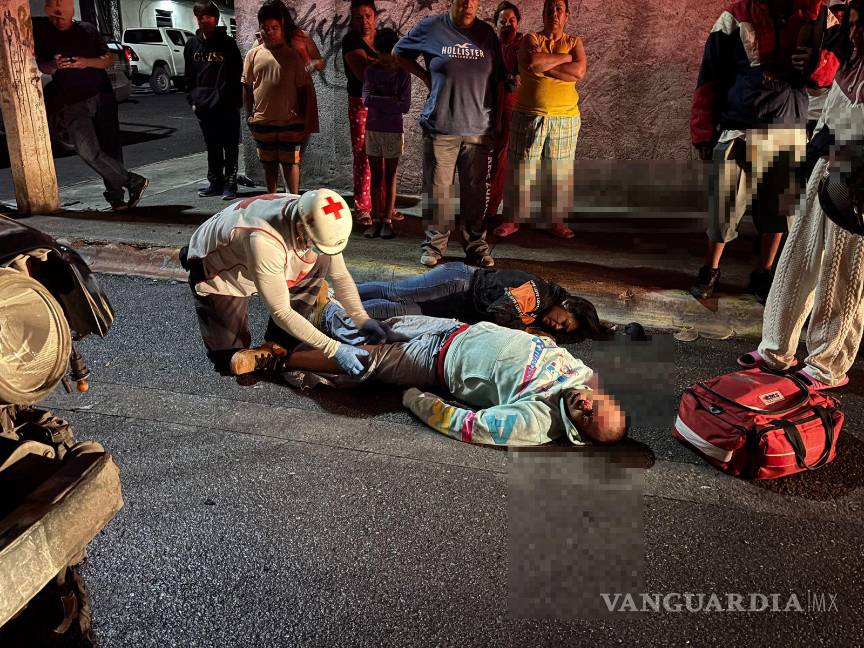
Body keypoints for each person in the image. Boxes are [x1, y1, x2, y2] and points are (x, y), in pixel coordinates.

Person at [247, 310, 628, 447]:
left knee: (362, 362)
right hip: (453, 328)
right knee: (373, 325)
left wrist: (416, 399)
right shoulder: (582, 376)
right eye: (598, 408)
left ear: (581, 435)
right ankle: (303, 324)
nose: (586, 407)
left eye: (587, 421)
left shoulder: (539, 422)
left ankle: (278, 360)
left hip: (433, 361)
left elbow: (469, 426)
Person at [738, 0, 864, 391]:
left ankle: (827, 365)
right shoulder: (849, 42)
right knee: (800, 253)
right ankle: (776, 348)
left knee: (843, 269)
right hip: (833, 147)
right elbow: (821, 66)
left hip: (860, 163)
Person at [689, 0, 826, 302]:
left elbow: (832, 74)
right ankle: (710, 270)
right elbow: (709, 76)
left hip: (787, 129)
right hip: (738, 128)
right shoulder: (735, 16)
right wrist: (702, 131)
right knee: (722, 207)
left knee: (779, 211)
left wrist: (817, 62)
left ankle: (763, 274)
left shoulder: (816, 15)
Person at [179, 190, 400, 376]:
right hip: (218, 267)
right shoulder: (263, 239)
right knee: (227, 359)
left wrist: (362, 319)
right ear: (300, 226)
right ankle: (266, 337)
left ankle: (279, 342)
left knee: (321, 257)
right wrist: (335, 349)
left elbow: (340, 275)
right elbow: (281, 312)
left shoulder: (313, 215)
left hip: (263, 255)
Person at [393, 0, 504, 268]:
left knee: (475, 192)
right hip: (441, 126)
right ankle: (434, 246)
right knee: (438, 191)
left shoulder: (486, 34)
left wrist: (496, 122)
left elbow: (498, 78)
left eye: (474, 0)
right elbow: (399, 53)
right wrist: (424, 77)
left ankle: (476, 247)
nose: (468, 4)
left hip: (477, 130)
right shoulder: (431, 27)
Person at [34, 0, 148, 211]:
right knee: (86, 150)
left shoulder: (86, 29)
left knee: (109, 147)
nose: (58, 20)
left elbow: (108, 60)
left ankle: (116, 198)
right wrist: (55, 65)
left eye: (62, 16)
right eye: (53, 16)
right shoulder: (45, 35)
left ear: (70, 13)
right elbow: (44, 67)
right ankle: (131, 181)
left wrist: (85, 62)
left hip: (100, 95)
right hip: (71, 101)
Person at [501, 0, 585, 240]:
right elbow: (530, 62)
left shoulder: (574, 42)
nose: (554, 13)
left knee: (558, 172)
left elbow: (579, 71)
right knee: (520, 168)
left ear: (567, 15)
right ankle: (512, 220)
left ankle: (556, 221)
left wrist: (543, 64)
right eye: (550, 8)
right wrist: (564, 59)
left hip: (565, 117)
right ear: (543, 13)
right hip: (529, 114)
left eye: (559, 9)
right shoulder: (531, 39)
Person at [356, 262, 610, 341]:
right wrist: (527, 330)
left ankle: (339, 310)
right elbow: (498, 311)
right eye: (563, 323)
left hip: (458, 303)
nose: (556, 327)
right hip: (458, 283)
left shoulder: (540, 309)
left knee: (400, 308)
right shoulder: (538, 294)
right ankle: (340, 294)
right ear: (566, 306)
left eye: (562, 330)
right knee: (396, 292)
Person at [342, 0, 402, 226]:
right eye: (358, 17)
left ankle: (386, 206)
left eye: (367, 16)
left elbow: (400, 67)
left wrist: (375, 63)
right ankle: (364, 207)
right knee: (364, 155)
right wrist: (384, 64)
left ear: (375, 16)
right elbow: (363, 75)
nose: (364, 21)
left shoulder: (386, 38)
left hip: (387, 105)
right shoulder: (351, 40)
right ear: (352, 18)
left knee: (388, 155)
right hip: (362, 103)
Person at [243, 1, 312, 194]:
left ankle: (293, 201)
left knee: (291, 163)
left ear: (282, 29)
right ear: (259, 29)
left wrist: (302, 118)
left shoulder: (292, 56)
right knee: (268, 164)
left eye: (274, 28)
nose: (269, 32)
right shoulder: (253, 55)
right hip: (262, 121)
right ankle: (272, 199)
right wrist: (250, 115)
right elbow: (247, 87)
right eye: (265, 29)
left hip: (290, 121)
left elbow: (302, 89)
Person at [184, 1, 243, 200]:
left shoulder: (227, 43)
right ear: (197, 18)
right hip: (204, 106)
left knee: (230, 145)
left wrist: (233, 100)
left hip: (226, 105)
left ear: (215, 19)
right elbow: (189, 75)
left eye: (208, 16)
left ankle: (230, 184)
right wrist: (192, 99)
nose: (204, 19)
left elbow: (237, 73)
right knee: (213, 146)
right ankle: (215, 183)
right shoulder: (192, 44)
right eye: (200, 16)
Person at [361, 29, 411, 240]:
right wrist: (391, 100)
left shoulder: (402, 72)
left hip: (392, 130)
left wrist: (380, 99)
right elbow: (366, 99)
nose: (386, 58)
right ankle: (376, 218)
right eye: (382, 53)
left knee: (390, 176)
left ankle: (387, 220)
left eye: (389, 53)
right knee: (375, 176)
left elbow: (406, 105)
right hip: (373, 128)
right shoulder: (371, 70)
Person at [488, 1, 524, 236]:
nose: (508, 25)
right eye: (503, 21)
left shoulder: (522, 45)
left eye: (512, 20)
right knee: (493, 163)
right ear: (496, 24)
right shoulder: (490, 47)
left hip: (515, 113)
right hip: (492, 111)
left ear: (518, 23)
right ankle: (490, 209)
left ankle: (495, 212)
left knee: (506, 163)